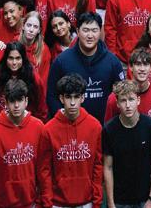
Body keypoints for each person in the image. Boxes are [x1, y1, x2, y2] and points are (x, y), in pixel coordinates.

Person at [46, 12, 126, 122]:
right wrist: (63, 121)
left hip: (104, 126)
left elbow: (122, 95)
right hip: (70, 125)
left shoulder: (113, 62)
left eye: (94, 30)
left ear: (100, 32)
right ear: (78, 31)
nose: (90, 35)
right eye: (86, 30)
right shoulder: (61, 61)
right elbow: (52, 96)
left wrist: (112, 124)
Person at [38, 74, 103, 208]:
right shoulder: (48, 130)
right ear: (61, 98)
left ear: (83, 98)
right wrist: (48, 203)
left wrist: (97, 202)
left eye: (76, 97)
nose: (72, 103)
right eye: (68, 97)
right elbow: (45, 170)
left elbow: (98, 166)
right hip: (57, 203)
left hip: (87, 202)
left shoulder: (95, 127)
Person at [0, 78, 44, 208]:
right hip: (3, 204)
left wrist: (39, 202)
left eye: (19, 100)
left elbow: (44, 168)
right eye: (12, 101)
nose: (16, 105)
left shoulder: (39, 127)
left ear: (26, 101)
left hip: (32, 202)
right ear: (6, 102)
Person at [102, 80, 151, 208]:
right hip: (119, 199)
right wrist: (111, 203)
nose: (128, 105)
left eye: (131, 99)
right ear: (117, 103)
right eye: (123, 101)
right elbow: (108, 167)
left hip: (145, 198)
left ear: (138, 100)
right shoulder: (109, 129)